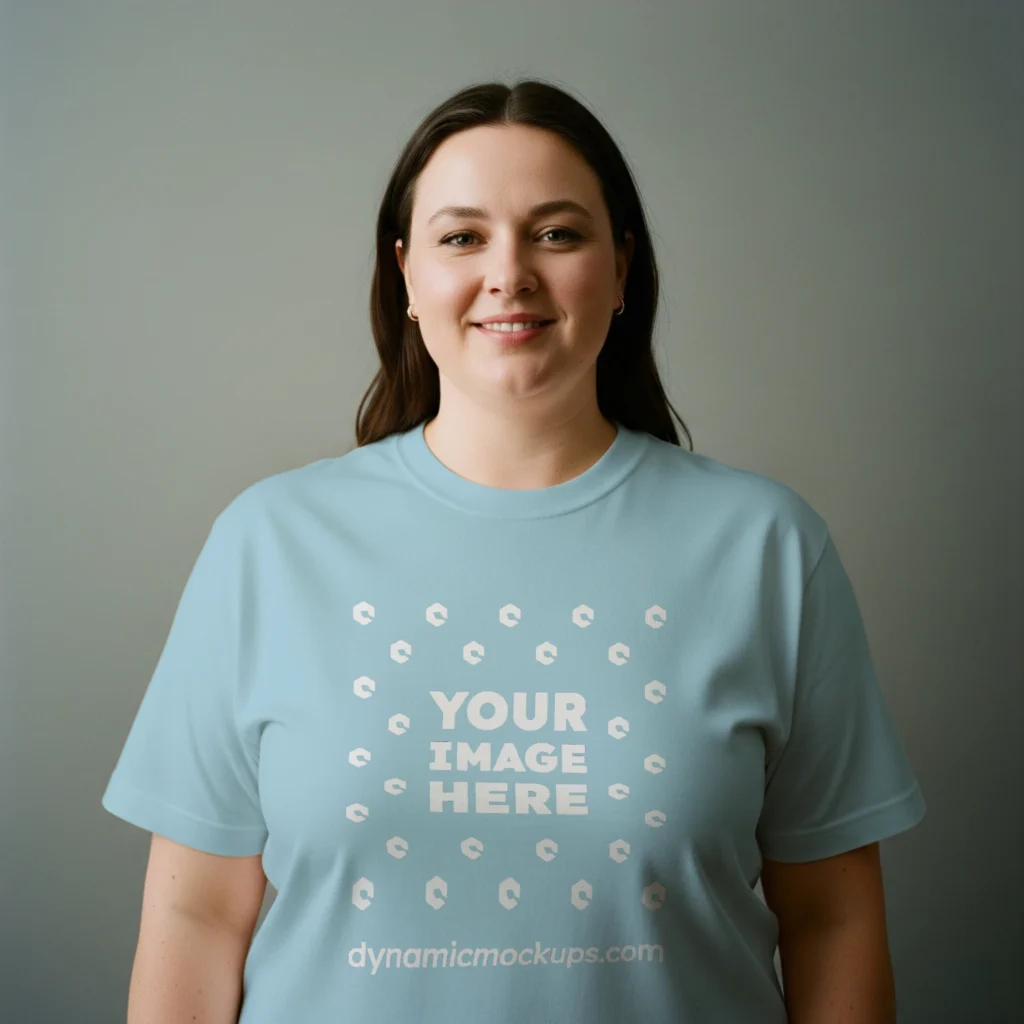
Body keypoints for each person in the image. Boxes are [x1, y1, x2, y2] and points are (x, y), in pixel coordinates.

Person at [101, 78, 926, 1023]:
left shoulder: (767, 549)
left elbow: (833, 920)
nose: (510, 274)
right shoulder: (269, 543)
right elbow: (197, 915)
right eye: (462, 237)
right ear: (405, 275)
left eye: (558, 233)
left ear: (621, 270)